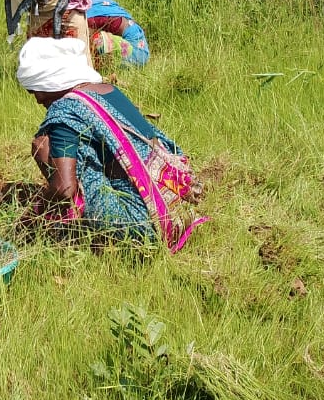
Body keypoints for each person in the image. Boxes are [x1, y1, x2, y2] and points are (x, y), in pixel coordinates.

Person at [16, 37, 205, 250]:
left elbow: (64, 188)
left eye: (35, 90)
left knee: (43, 147)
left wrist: (35, 216)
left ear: (51, 79)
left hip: (143, 227)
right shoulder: (107, 90)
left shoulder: (65, 109)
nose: (38, 99)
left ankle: (78, 228)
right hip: (177, 204)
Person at [87, 0, 150, 67]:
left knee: (96, 40)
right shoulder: (96, 1)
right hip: (138, 41)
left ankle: (101, 66)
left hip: (137, 54)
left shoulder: (92, 17)